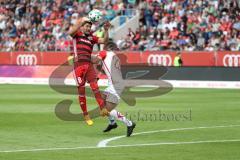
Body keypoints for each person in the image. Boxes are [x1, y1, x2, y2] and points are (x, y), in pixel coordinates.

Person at [68, 17, 110, 126]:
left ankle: (103, 108)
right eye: (86, 26)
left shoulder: (92, 38)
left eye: (90, 26)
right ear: (82, 27)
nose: (88, 28)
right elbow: (70, 32)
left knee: (95, 87)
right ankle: (86, 115)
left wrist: (106, 30)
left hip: (89, 65)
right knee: (81, 91)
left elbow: (104, 41)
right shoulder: (77, 35)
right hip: (78, 65)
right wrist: (80, 21)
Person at [93, 44, 136, 137]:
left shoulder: (104, 52)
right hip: (113, 84)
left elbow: (94, 60)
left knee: (107, 110)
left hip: (115, 86)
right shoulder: (114, 57)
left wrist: (83, 56)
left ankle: (129, 123)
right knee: (100, 101)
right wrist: (99, 73)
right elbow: (106, 70)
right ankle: (112, 123)